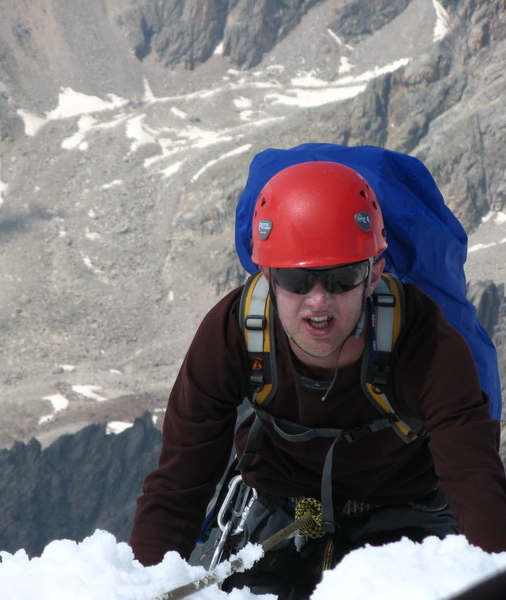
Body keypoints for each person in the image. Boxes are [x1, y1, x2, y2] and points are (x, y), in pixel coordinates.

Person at [128, 160, 506, 599]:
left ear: (373, 275)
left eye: (342, 278)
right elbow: (179, 485)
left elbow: (473, 476)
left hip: (404, 512)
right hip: (285, 511)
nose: (318, 301)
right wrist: (141, 589)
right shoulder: (235, 332)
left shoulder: (423, 341)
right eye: (297, 280)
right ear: (268, 277)